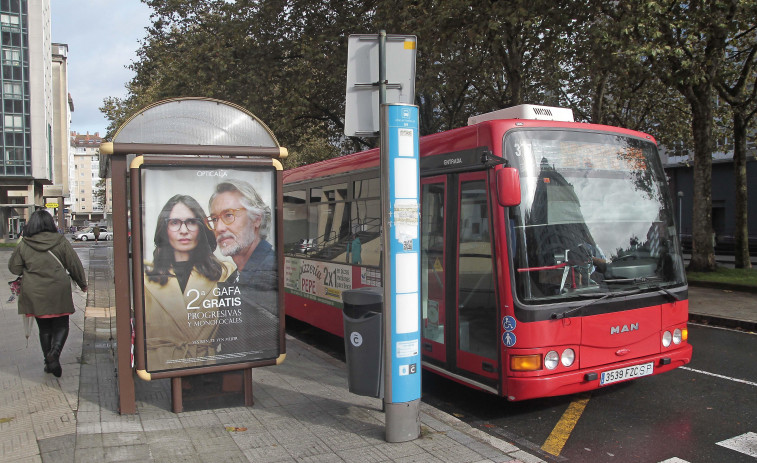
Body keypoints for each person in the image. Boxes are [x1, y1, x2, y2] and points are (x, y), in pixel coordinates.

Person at [143, 195, 234, 371]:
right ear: (164, 228)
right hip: (160, 369)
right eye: (175, 222)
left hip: (206, 369)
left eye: (191, 222)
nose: (184, 230)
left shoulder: (224, 272)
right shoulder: (145, 275)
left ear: (201, 228)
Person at [8, 210, 87, 377]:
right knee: (61, 324)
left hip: (34, 291)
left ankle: (48, 361)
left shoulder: (24, 244)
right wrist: (82, 283)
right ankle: (55, 354)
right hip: (58, 289)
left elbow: (13, 267)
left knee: (44, 328)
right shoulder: (60, 241)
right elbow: (73, 264)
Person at [207, 179, 278, 359]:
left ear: (257, 219)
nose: (219, 227)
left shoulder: (268, 270)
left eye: (229, 215)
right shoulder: (234, 276)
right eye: (214, 219)